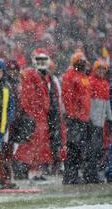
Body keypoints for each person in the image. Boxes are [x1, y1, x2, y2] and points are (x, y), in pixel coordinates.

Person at [14, 49, 64, 181]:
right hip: (36, 116)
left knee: (41, 146)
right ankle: (30, 172)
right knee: (33, 145)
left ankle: (36, 171)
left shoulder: (45, 76)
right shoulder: (31, 74)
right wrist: (33, 113)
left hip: (43, 115)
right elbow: (27, 97)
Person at [61, 51, 91, 185]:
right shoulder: (70, 76)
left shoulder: (83, 76)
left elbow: (85, 97)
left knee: (79, 148)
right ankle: (70, 176)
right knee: (73, 148)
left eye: (84, 62)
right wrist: (72, 114)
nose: (83, 64)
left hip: (83, 117)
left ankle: (74, 175)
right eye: (80, 61)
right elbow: (67, 97)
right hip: (75, 118)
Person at [0, 59, 16, 189]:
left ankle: (4, 179)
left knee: (3, 154)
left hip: (3, 126)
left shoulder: (6, 86)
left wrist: (9, 120)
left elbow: (11, 106)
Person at [86, 59, 111, 183]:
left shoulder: (105, 83)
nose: (101, 71)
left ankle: (93, 173)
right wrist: (89, 118)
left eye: (103, 69)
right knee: (92, 149)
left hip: (101, 122)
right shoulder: (91, 82)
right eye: (99, 69)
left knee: (97, 149)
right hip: (93, 122)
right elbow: (88, 102)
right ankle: (90, 174)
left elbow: (106, 104)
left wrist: (110, 119)